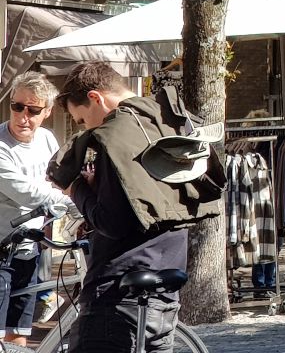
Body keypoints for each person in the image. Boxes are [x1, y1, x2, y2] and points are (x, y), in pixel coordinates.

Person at [49, 62, 223, 353]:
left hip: (117, 293)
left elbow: (112, 221)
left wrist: (75, 188)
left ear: (96, 98)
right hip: (166, 287)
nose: (87, 127)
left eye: (81, 120)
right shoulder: (165, 120)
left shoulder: (116, 135)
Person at [0, 73, 71, 345]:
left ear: (48, 112)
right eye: (17, 107)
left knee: (20, 330)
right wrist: (71, 202)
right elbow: (26, 191)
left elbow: (57, 180)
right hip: (1, 247)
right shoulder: (2, 144)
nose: (23, 116)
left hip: (30, 247)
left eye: (33, 110)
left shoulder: (47, 140)